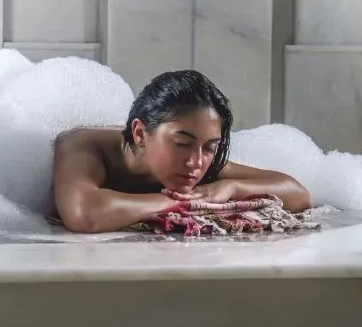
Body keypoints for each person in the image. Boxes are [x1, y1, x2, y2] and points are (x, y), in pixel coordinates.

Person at [52, 69, 311, 233]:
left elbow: (298, 195)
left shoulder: (200, 163)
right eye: (182, 143)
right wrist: (181, 203)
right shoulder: (83, 145)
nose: (196, 162)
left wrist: (230, 188)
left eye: (210, 147)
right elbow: (83, 213)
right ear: (140, 134)